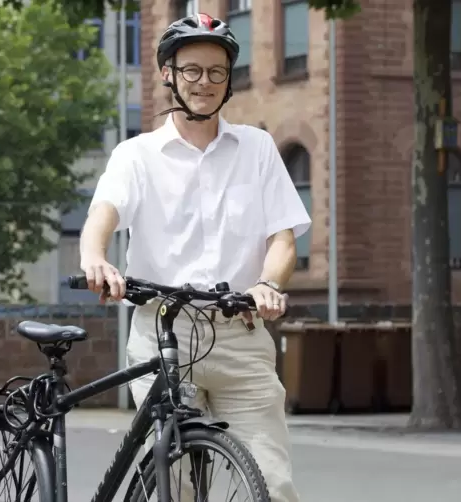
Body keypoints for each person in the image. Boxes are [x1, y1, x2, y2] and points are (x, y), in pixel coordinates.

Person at [78, 12, 311, 502]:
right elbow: (103, 213)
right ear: (168, 74)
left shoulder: (258, 148)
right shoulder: (136, 155)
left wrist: (268, 283)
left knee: (273, 482)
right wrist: (95, 258)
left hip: (240, 337)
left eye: (216, 72)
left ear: (228, 80)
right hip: (163, 335)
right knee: (175, 484)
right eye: (192, 71)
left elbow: (282, 239)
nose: (204, 82)